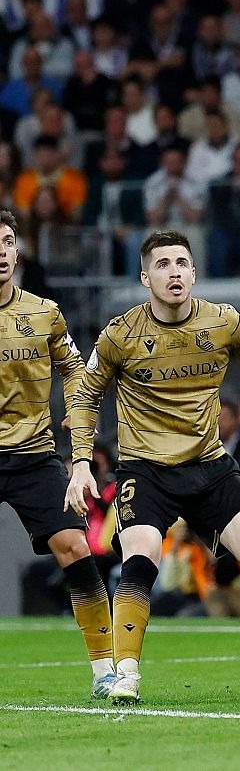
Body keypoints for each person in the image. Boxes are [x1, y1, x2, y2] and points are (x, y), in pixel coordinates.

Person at [67, 230, 240, 704]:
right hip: (144, 469)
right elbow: (86, 395)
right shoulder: (120, 334)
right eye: (164, 264)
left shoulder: (224, 321)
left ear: (193, 272)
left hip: (209, 465)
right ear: (145, 276)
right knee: (143, 552)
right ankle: (124, 674)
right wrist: (82, 463)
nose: (174, 272)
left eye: (182, 263)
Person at [0, 208, 113, 698]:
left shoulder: (44, 312)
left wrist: (77, 410)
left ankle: (107, 669)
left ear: (17, 253)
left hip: (33, 452)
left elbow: (75, 370)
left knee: (75, 546)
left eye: (5, 242)